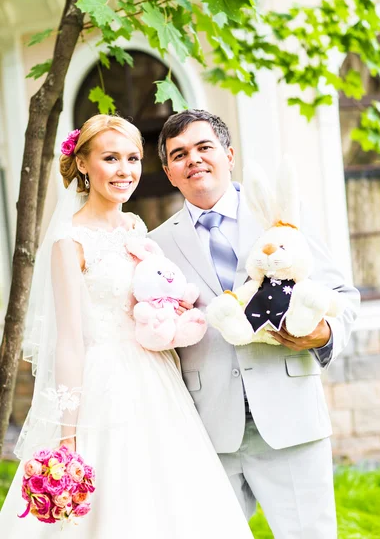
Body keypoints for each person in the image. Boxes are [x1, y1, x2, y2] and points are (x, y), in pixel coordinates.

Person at [0, 114, 254, 538]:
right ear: (82, 164)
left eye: (133, 158)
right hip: (104, 384)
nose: (125, 170)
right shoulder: (70, 241)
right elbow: (69, 341)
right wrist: (69, 435)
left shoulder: (135, 226)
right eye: (110, 158)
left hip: (157, 376)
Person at [149, 109, 360, 539]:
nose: (195, 160)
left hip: (291, 422)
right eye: (180, 154)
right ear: (170, 172)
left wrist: (322, 336)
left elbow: (343, 297)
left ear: (228, 153)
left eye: (204, 147)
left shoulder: (282, 216)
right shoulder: (156, 246)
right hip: (208, 432)